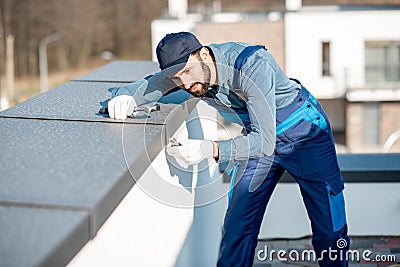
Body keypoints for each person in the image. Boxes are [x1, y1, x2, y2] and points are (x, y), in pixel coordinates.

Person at [107, 32, 349, 267]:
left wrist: (208, 149)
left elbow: (264, 142)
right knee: (237, 227)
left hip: (303, 133)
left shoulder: (252, 66)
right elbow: (145, 87)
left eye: (188, 72)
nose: (186, 84)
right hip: (257, 136)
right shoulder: (186, 72)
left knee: (329, 227)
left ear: (203, 54)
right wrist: (125, 98)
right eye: (177, 79)